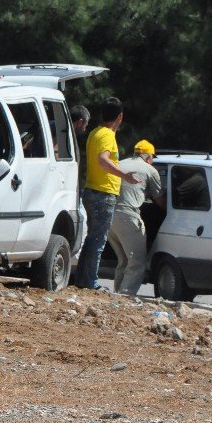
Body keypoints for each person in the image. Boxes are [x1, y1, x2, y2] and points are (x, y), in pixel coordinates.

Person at [73, 97, 140, 289]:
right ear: (120, 116)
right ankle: (91, 282)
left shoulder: (95, 132)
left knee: (92, 239)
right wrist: (124, 175)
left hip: (93, 191)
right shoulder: (107, 135)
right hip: (103, 193)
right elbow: (103, 160)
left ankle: (83, 280)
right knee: (98, 240)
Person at [107, 140, 164, 295]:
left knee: (124, 260)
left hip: (109, 217)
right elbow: (159, 199)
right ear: (148, 157)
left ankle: (118, 294)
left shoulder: (119, 164)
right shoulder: (150, 170)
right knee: (137, 262)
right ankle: (125, 297)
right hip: (128, 217)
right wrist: (167, 212)